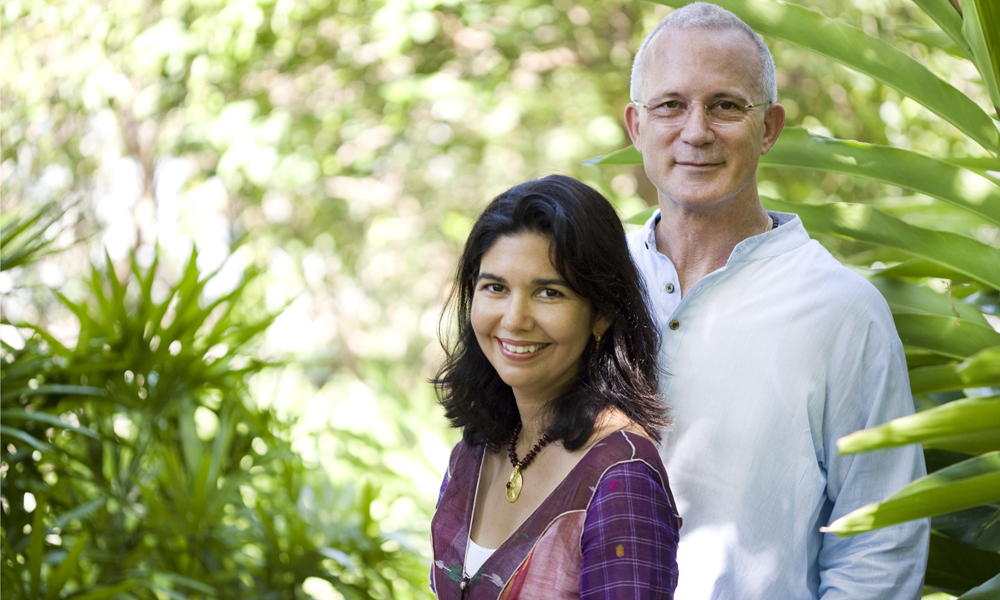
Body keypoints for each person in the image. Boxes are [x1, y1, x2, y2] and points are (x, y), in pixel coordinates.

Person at [621, 3, 928, 599]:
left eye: (727, 105)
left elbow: (881, 542)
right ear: (636, 125)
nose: (696, 131)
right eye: (670, 105)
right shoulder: (591, 280)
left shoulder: (843, 309)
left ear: (770, 127)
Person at [430, 174, 680, 599]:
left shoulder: (621, 477)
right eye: (495, 287)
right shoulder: (474, 452)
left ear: (601, 311)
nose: (514, 319)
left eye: (548, 292)